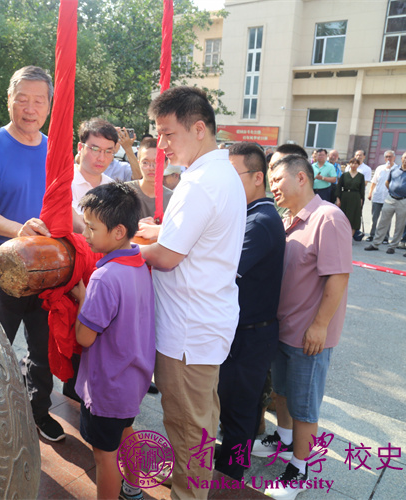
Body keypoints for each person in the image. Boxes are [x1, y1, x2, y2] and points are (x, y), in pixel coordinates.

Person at [137, 86, 246, 500]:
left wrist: (127, 249)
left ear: (198, 129)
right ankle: (191, 482)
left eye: (168, 134)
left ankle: (189, 493)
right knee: (199, 422)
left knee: (187, 429)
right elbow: (197, 237)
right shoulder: (220, 174)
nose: (161, 145)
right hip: (204, 323)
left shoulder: (199, 183)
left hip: (187, 331)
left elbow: (166, 258)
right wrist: (161, 231)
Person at [0, 66, 66, 442]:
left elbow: (62, 203)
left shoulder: (54, 148)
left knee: (43, 343)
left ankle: (39, 411)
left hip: (44, 262)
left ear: (50, 106)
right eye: (22, 99)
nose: (30, 107)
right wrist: (20, 230)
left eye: (39, 100)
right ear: (9, 99)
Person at [255, 155, 352, 500]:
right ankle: (283, 439)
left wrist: (320, 326)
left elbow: (338, 276)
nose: (273, 186)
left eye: (278, 179)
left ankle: (300, 468)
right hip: (282, 328)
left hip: (307, 335)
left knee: (304, 405)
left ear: (301, 178)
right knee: (281, 392)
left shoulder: (328, 218)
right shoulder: (290, 220)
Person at [68, 182, 155, 500]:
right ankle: (133, 490)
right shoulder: (138, 262)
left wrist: (82, 299)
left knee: (105, 456)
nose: (86, 233)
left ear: (118, 231)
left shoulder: (104, 278)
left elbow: (85, 337)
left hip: (107, 386)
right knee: (126, 432)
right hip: (132, 378)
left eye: (92, 227)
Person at [215, 143, 285, 481]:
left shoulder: (261, 220)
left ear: (258, 177)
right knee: (232, 409)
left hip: (251, 335)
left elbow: (224, 269)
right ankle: (227, 460)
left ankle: (231, 477)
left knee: (240, 415)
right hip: (242, 331)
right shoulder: (248, 213)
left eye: (233, 174)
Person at [365, 151, 406, 255]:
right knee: (383, 222)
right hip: (390, 199)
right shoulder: (394, 169)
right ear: (401, 159)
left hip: (404, 200)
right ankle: (376, 243)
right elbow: (387, 182)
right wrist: (393, 190)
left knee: (400, 224)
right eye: (404, 158)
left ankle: (392, 246)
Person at [71, 118, 118, 231]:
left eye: (108, 151)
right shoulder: (64, 181)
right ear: (80, 148)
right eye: (95, 149)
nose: (102, 158)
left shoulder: (113, 188)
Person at [125, 137, 174, 219]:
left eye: (156, 162)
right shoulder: (125, 192)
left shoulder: (172, 198)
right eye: (145, 162)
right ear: (139, 163)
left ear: (166, 164)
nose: (151, 168)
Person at [367, 150, 396, 242]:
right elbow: (374, 181)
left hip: (389, 197)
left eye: (390, 156)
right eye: (387, 156)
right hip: (377, 195)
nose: (388, 158)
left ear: (394, 158)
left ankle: (385, 237)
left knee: (387, 218)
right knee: (374, 217)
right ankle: (372, 235)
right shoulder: (380, 168)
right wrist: (370, 192)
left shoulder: (397, 168)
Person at [336, 158, 366, 238]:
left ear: (358, 165)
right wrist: (338, 198)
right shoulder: (344, 175)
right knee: (343, 216)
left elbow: (362, 190)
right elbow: (339, 187)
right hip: (345, 196)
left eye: (356, 163)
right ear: (349, 164)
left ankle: (349, 238)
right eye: (352, 163)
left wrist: (361, 201)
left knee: (354, 217)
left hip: (356, 197)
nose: (353, 165)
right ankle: (341, 236)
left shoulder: (361, 176)